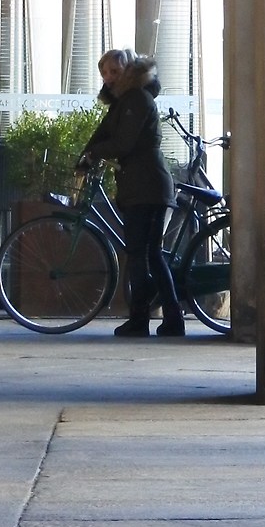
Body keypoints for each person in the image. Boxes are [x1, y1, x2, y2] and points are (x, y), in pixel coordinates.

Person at [76, 48, 185, 339]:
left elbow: (123, 142)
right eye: (104, 74)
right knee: (148, 254)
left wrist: (93, 152)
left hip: (146, 186)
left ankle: (142, 319)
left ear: (127, 70)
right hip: (143, 185)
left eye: (113, 72)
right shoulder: (128, 99)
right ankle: (170, 318)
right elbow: (105, 133)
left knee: (140, 254)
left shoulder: (135, 99)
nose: (108, 79)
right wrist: (89, 152)